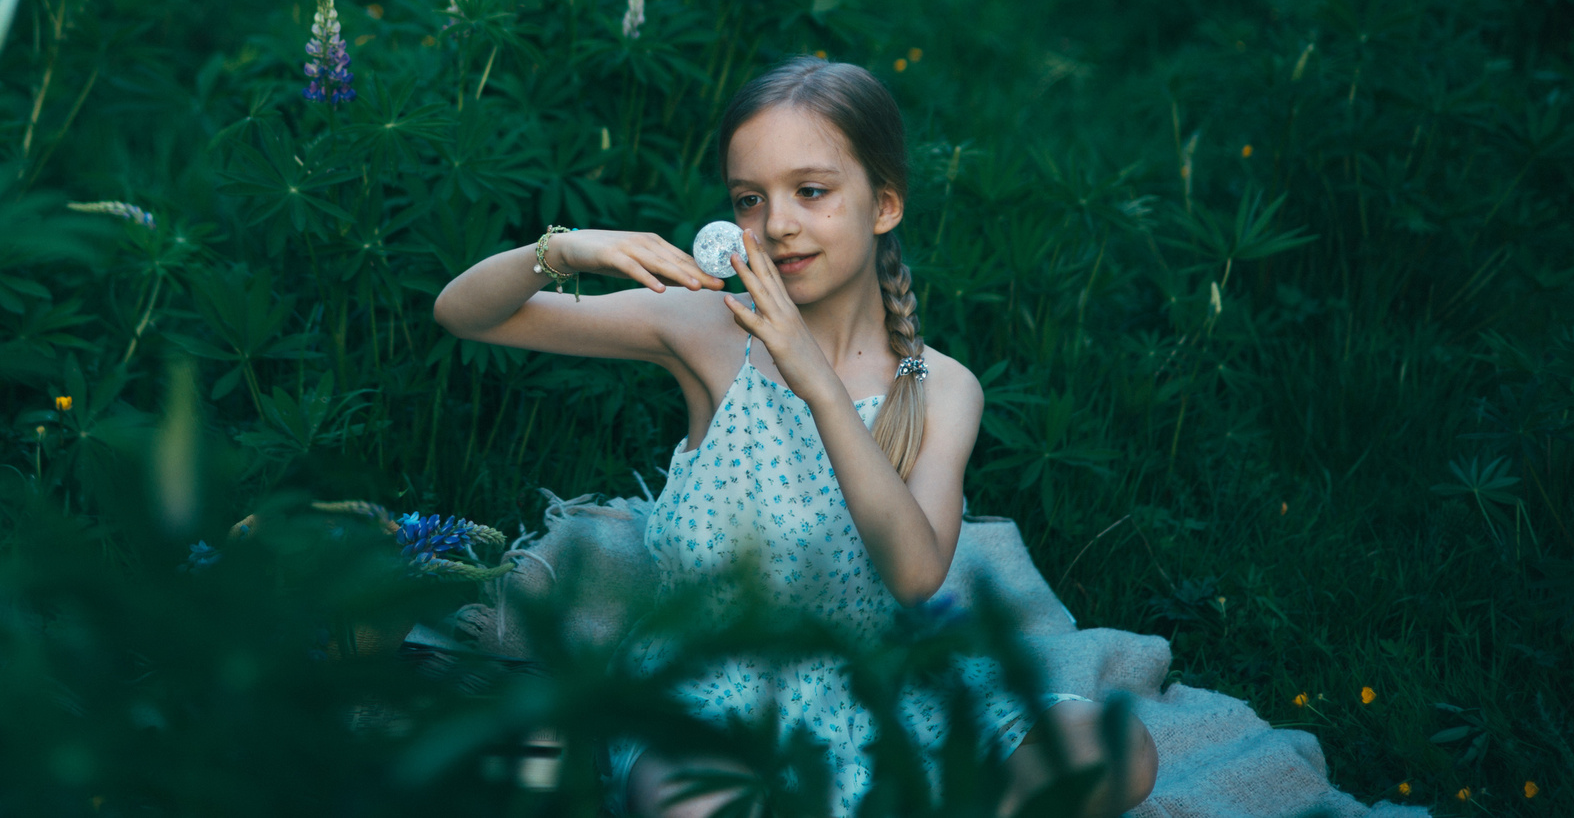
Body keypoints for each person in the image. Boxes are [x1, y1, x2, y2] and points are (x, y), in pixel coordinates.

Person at [434, 56, 1157, 816]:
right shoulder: (706, 329)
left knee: (1115, 747)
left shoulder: (940, 386)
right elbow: (465, 313)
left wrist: (814, 378)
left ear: (883, 203)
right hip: (718, 701)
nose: (777, 223)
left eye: (811, 191)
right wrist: (567, 249)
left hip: (889, 692)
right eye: (751, 198)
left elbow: (914, 573)